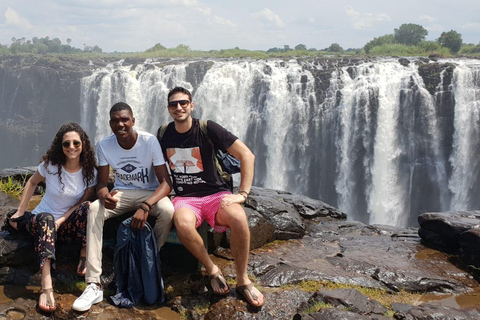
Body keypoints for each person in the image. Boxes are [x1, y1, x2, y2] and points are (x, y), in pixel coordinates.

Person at [157, 87, 265, 307]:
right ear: (168, 109)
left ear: (191, 105)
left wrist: (242, 194)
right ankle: (212, 269)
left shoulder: (207, 128)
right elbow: (156, 167)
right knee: (183, 223)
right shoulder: (163, 133)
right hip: (185, 198)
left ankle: (243, 280)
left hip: (217, 194)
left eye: (183, 103)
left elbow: (247, 155)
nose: (179, 107)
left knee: (239, 218)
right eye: (173, 104)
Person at [72, 102, 174, 312]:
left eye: (124, 119)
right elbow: (101, 183)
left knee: (168, 211)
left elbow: (166, 183)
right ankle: (93, 283)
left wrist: (146, 205)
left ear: (133, 121)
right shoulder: (105, 145)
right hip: (122, 193)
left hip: (150, 192)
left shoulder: (149, 141)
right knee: (93, 210)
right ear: (110, 123)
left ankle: (148, 260)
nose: (120, 124)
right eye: (116, 120)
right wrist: (103, 195)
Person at [8, 122, 97, 313]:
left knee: (90, 207)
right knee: (46, 218)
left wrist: (61, 221)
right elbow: (32, 182)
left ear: (83, 145)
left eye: (76, 143)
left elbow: (80, 205)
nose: (71, 147)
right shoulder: (50, 166)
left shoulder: (91, 172)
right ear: (60, 146)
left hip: (64, 224)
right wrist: (21, 211)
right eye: (67, 144)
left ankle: (84, 254)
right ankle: (46, 285)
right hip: (42, 222)